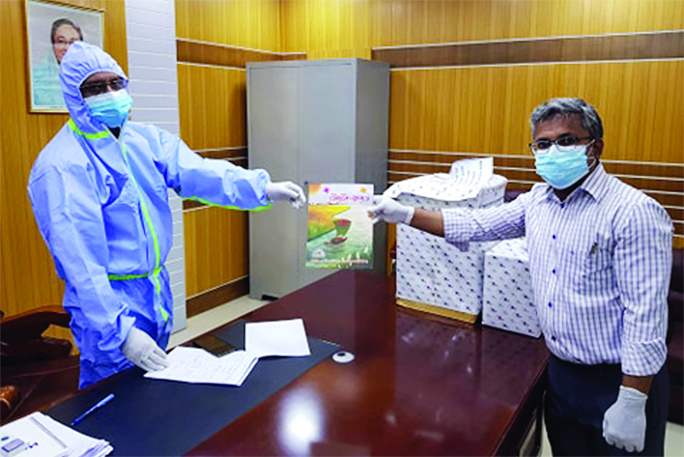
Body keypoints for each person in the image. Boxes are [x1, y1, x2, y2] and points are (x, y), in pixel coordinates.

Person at [369, 98, 672, 456]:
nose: (553, 151)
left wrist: (633, 399)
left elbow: (646, 314)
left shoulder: (634, 212)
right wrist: (404, 213)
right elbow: (476, 224)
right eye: (543, 144)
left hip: (618, 382)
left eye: (567, 141)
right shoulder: (537, 200)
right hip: (560, 374)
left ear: (595, 147)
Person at [28, 41, 306, 388]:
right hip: (109, 305)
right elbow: (82, 266)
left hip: (154, 291)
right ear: (73, 95)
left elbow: (197, 172)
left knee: (156, 395)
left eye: (116, 83)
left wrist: (261, 187)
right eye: (96, 88)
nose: (110, 93)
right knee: (113, 404)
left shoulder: (143, 139)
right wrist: (122, 332)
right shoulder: (61, 166)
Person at [32, 18, 83, 108]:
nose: (67, 47)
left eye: (73, 42)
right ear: (52, 45)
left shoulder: (90, 75)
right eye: (61, 41)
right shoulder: (34, 74)